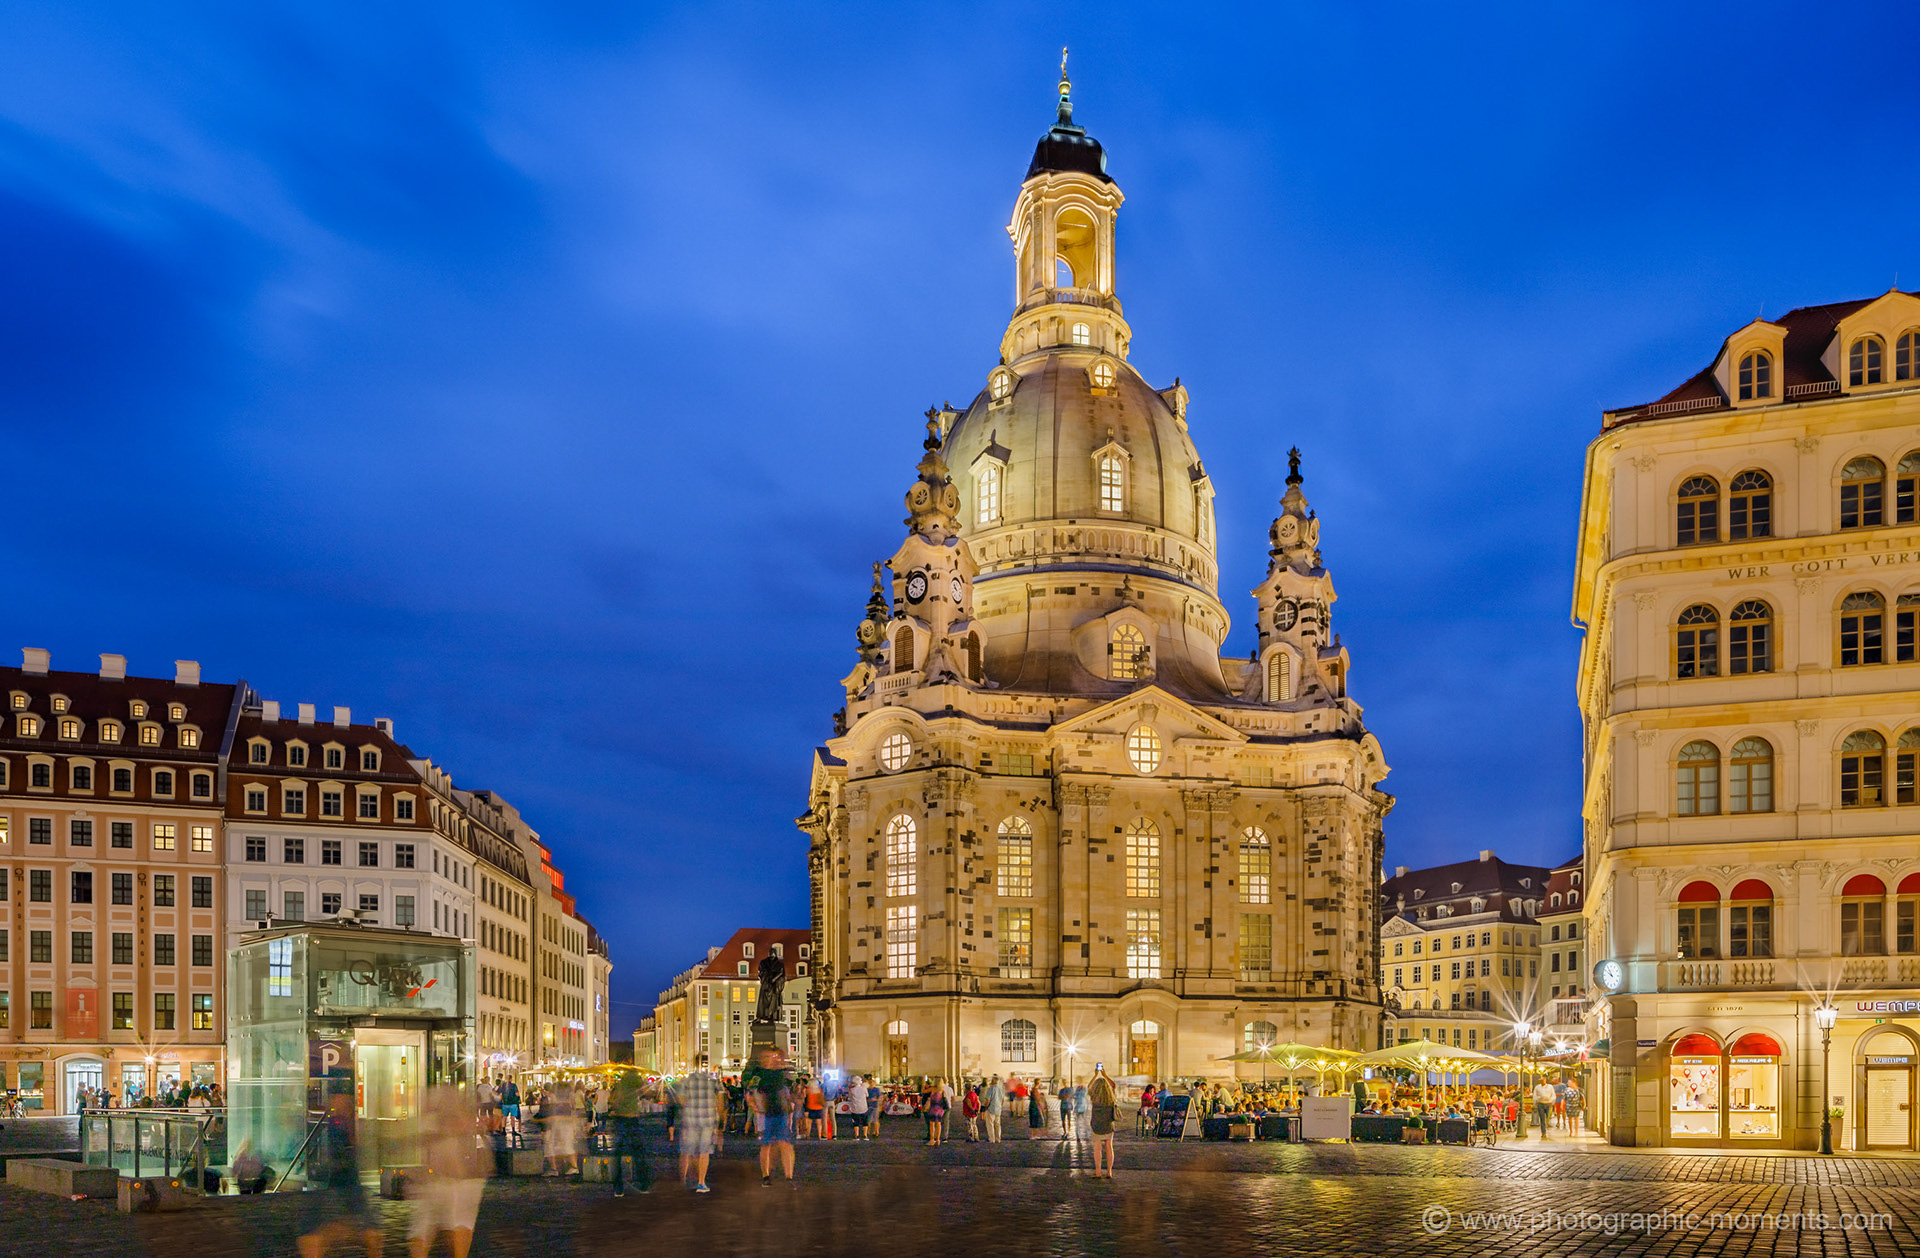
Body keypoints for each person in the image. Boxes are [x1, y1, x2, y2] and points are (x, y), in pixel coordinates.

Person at [296, 1091, 380, 1258]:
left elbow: (348, 1147)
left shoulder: (339, 1123)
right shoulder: (341, 1123)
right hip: (341, 1175)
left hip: (341, 1175)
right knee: (358, 1218)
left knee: (324, 1220)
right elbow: (352, 1146)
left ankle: (365, 1241)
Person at [407, 1086, 489, 1258]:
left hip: (443, 1180)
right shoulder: (445, 1122)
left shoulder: (433, 1122)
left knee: (429, 1228)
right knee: (457, 1226)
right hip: (452, 1180)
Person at [745, 1046, 796, 1186]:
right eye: (768, 1057)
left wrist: (790, 1103)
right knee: (766, 1144)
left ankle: (789, 1176)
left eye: (774, 1056)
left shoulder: (782, 1073)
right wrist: (755, 1107)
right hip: (765, 1114)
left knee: (784, 1144)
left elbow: (788, 1091)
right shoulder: (758, 1074)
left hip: (781, 1112)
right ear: (762, 1059)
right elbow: (749, 1092)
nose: (772, 1060)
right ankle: (766, 1176)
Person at [673, 1055, 721, 1193]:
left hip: (690, 1120)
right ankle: (701, 1182)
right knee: (704, 1152)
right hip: (708, 1120)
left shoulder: (685, 1082)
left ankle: (683, 1181)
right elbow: (720, 1101)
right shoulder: (714, 1081)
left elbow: (681, 1100)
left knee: (686, 1151)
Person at [607, 1066, 651, 1197]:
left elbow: (613, 1100)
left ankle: (618, 1188)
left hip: (619, 1118)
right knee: (638, 1152)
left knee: (617, 1154)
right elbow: (646, 1092)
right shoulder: (636, 1078)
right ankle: (643, 1184)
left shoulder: (620, 1082)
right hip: (632, 1119)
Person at [544, 1084, 582, 1180]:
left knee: (563, 1146)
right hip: (564, 1128)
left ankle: (562, 1168)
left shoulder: (560, 1105)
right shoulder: (565, 1103)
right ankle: (570, 1167)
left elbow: (560, 1117)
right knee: (566, 1146)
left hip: (562, 1128)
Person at [1088, 1069, 1117, 1179]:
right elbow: (1114, 1085)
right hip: (1108, 1124)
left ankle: (1098, 1172)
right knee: (1109, 1147)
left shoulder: (1094, 1097)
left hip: (1096, 1125)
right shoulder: (1111, 1098)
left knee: (1097, 1148)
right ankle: (1109, 1172)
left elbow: (1089, 1087)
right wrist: (1105, 1075)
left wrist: (1095, 1075)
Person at [924, 1078, 950, 1146]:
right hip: (940, 1109)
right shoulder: (942, 1090)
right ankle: (938, 1139)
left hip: (933, 1108)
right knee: (939, 1124)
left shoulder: (932, 1089)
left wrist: (923, 1084)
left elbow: (924, 1091)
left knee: (932, 1124)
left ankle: (932, 1139)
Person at [982, 1075, 1005, 1144]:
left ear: (992, 1081)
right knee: (997, 1124)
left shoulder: (990, 1089)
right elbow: (1003, 1100)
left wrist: (986, 1107)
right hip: (998, 1109)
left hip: (991, 1109)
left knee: (990, 1124)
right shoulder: (1001, 1089)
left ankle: (992, 1139)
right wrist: (1000, 1106)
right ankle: (998, 1138)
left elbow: (987, 1100)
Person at [846, 1074, 870, 1140]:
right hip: (864, 1107)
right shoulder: (864, 1089)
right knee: (865, 1122)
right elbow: (867, 1096)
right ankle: (865, 1135)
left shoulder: (852, 1090)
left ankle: (857, 1136)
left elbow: (849, 1098)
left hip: (855, 1108)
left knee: (856, 1123)